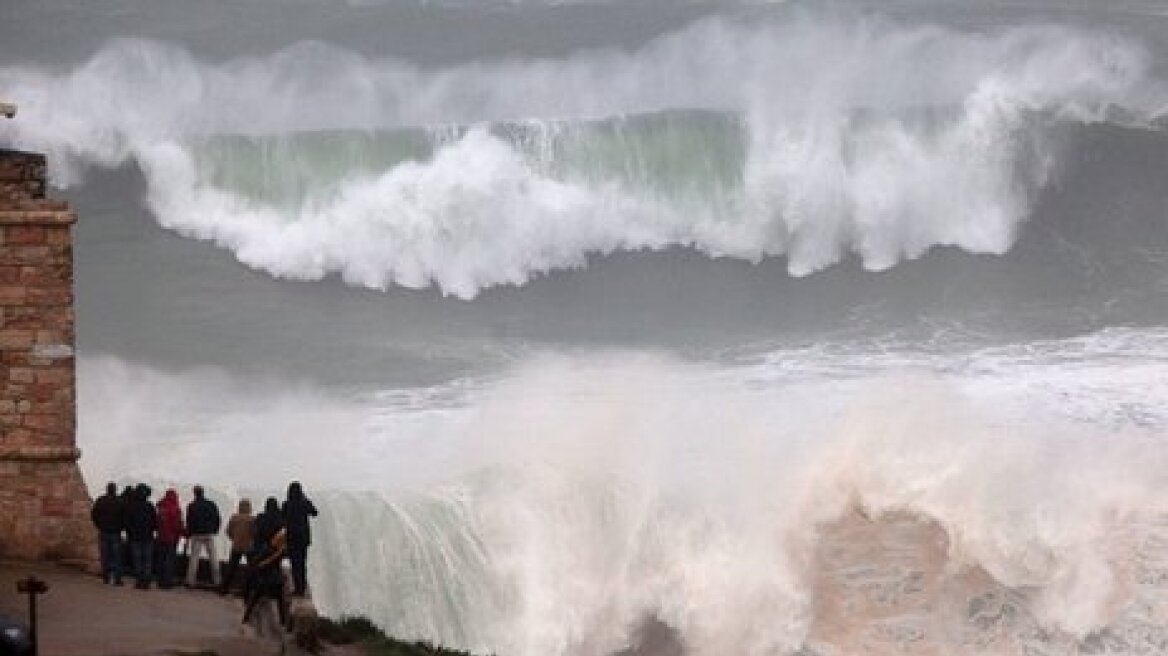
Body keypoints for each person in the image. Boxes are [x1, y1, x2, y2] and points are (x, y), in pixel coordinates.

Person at [241, 527, 288, 628]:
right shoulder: (272, 550)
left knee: (257, 599)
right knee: (278, 599)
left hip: (268, 579)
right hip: (268, 579)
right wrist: (277, 555)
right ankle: (283, 622)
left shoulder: (272, 548)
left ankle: (245, 618)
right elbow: (260, 564)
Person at [281, 481, 318, 597]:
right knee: (302, 563)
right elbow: (315, 512)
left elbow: (282, 519)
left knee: (294, 563)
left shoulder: (286, 504)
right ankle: (301, 588)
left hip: (292, 538)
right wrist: (305, 499)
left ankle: (297, 588)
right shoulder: (304, 503)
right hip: (303, 539)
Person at [185, 485, 222, 588]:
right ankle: (217, 581)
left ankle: (190, 581)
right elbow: (218, 518)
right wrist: (214, 530)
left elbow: (190, 522)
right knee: (213, 558)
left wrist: (189, 533)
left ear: (194, 493)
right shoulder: (211, 504)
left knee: (194, 558)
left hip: (197, 534)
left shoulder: (192, 506)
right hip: (209, 533)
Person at [89, 481, 124, 585]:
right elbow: (124, 517)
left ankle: (106, 577)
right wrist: (121, 527)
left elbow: (94, 515)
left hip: (104, 531)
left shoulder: (101, 500)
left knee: (105, 556)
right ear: (115, 489)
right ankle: (117, 579)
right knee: (117, 557)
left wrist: (99, 525)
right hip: (116, 532)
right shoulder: (120, 501)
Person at [219, 497, 256, 596]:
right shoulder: (252, 519)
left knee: (231, 568)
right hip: (249, 546)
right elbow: (255, 533)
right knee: (252, 569)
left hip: (236, 545)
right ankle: (248, 590)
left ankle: (224, 588)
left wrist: (234, 538)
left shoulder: (234, 517)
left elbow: (228, 531)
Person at [124, 484, 157, 589]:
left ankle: (139, 580)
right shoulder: (150, 506)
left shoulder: (132, 506)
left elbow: (127, 521)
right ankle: (146, 581)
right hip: (148, 536)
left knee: (137, 560)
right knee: (147, 559)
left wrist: (131, 532)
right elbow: (154, 522)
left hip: (135, 537)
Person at [154, 488, 185, 589]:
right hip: (172, 538)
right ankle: (167, 582)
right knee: (169, 560)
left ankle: (160, 580)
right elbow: (177, 525)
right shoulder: (175, 509)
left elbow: (156, 523)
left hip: (160, 537)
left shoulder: (160, 507)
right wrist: (183, 532)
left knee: (160, 560)